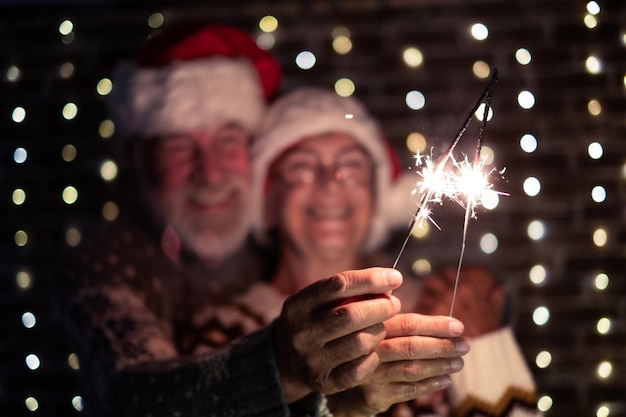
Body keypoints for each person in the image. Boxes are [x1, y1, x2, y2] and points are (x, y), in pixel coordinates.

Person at [59, 23, 469, 417]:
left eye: (228, 141)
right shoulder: (117, 266)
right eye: (179, 147)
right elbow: (133, 398)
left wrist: (473, 299)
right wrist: (291, 374)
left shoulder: (431, 299)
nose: (212, 174)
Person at [249, 86, 541, 416]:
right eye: (301, 167)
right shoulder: (223, 340)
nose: (330, 182)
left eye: (351, 166)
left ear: (378, 197)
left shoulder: (447, 311)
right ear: (267, 199)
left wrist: (485, 348)